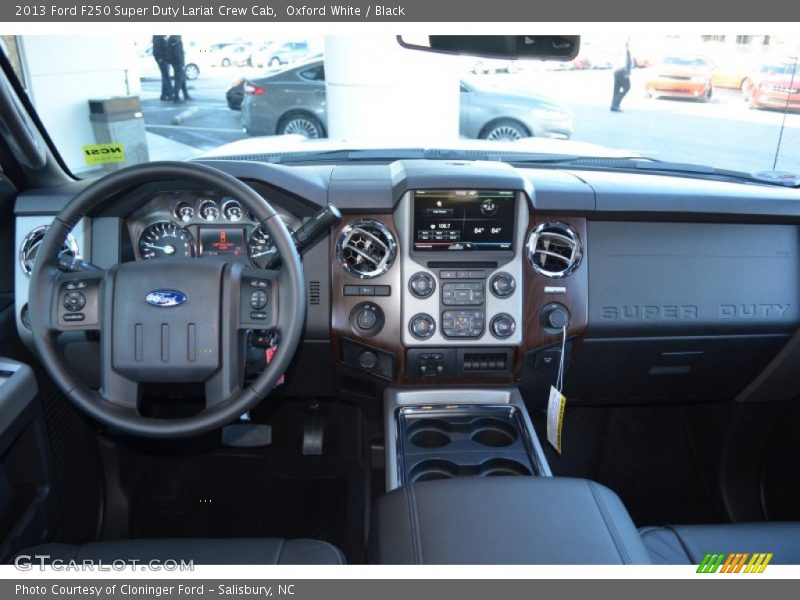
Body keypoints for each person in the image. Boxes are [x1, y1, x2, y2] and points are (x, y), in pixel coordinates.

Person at [167, 35, 191, 103]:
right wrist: (180, 62)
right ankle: (176, 97)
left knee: (182, 78)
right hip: (177, 62)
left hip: (177, 62)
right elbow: (177, 52)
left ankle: (185, 95)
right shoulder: (175, 38)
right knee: (179, 79)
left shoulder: (174, 37)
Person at [611, 39, 633, 112]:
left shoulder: (618, 48)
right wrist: (627, 72)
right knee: (627, 87)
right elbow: (628, 60)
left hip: (616, 70)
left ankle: (613, 105)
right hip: (622, 71)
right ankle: (615, 104)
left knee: (616, 89)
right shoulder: (626, 49)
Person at [152, 35, 173, 102]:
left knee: (165, 76)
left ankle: (163, 95)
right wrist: (159, 58)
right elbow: (156, 49)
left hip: (165, 59)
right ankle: (170, 95)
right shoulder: (157, 37)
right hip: (162, 60)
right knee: (166, 77)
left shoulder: (161, 36)